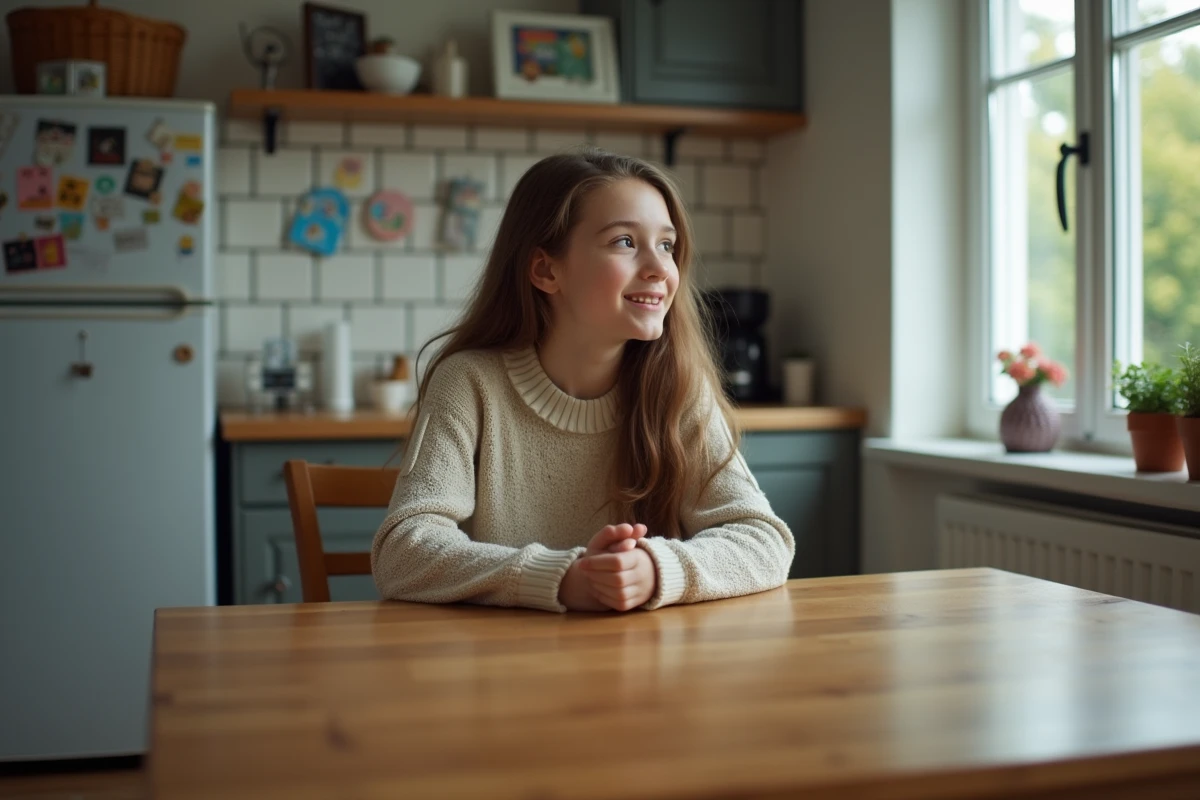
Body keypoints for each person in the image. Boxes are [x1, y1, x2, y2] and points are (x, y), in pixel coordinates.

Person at [371, 147, 794, 613]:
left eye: (667, 245)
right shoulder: (469, 384)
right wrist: (561, 578)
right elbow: (401, 552)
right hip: (500, 673)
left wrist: (658, 569)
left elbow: (765, 540)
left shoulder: (678, 388)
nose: (659, 268)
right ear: (546, 270)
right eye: (625, 242)